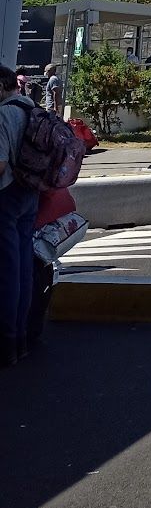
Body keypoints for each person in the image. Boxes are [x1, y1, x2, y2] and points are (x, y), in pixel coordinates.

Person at [0, 65, 39, 367]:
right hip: (30, 193)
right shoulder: (31, 107)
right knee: (24, 268)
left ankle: (6, 342)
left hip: (7, 195)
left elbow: (0, 165)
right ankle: (23, 337)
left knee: (7, 272)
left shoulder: (3, 114)